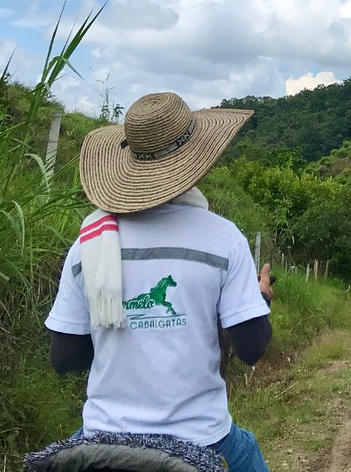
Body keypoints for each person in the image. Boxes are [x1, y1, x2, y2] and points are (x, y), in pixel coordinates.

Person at [45, 91, 274, 472]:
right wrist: (260, 299)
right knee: (246, 451)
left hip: (102, 435)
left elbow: (63, 357)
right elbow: (251, 349)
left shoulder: (90, 239)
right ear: (199, 158)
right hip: (201, 438)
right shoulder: (223, 237)